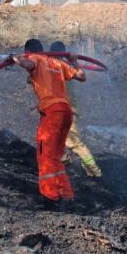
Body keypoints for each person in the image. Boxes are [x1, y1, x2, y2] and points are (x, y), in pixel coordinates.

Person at [9, 39, 86, 206]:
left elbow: (27, 65)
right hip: (66, 112)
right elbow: (81, 76)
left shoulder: (35, 58)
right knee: (55, 156)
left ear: (29, 50)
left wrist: (16, 58)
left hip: (52, 112)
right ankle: (66, 194)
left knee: (44, 154)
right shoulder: (57, 62)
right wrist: (74, 61)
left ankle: (50, 196)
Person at [49, 41, 102, 178]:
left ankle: (94, 173)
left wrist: (73, 62)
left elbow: (82, 76)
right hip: (56, 111)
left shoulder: (61, 66)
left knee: (75, 143)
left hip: (66, 111)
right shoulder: (59, 66)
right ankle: (65, 162)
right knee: (51, 139)